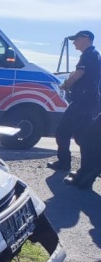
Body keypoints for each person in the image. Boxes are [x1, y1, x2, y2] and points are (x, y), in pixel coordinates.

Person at [50, 30, 100, 174]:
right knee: (64, 132)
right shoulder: (89, 55)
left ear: (86, 38)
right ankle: (65, 163)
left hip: (84, 102)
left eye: (76, 39)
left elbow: (78, 74)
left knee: (81, 136)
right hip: (82, 102)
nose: (74, 43)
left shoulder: (90, 55)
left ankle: (87, 169)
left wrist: (66, 84)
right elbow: (76, 72)